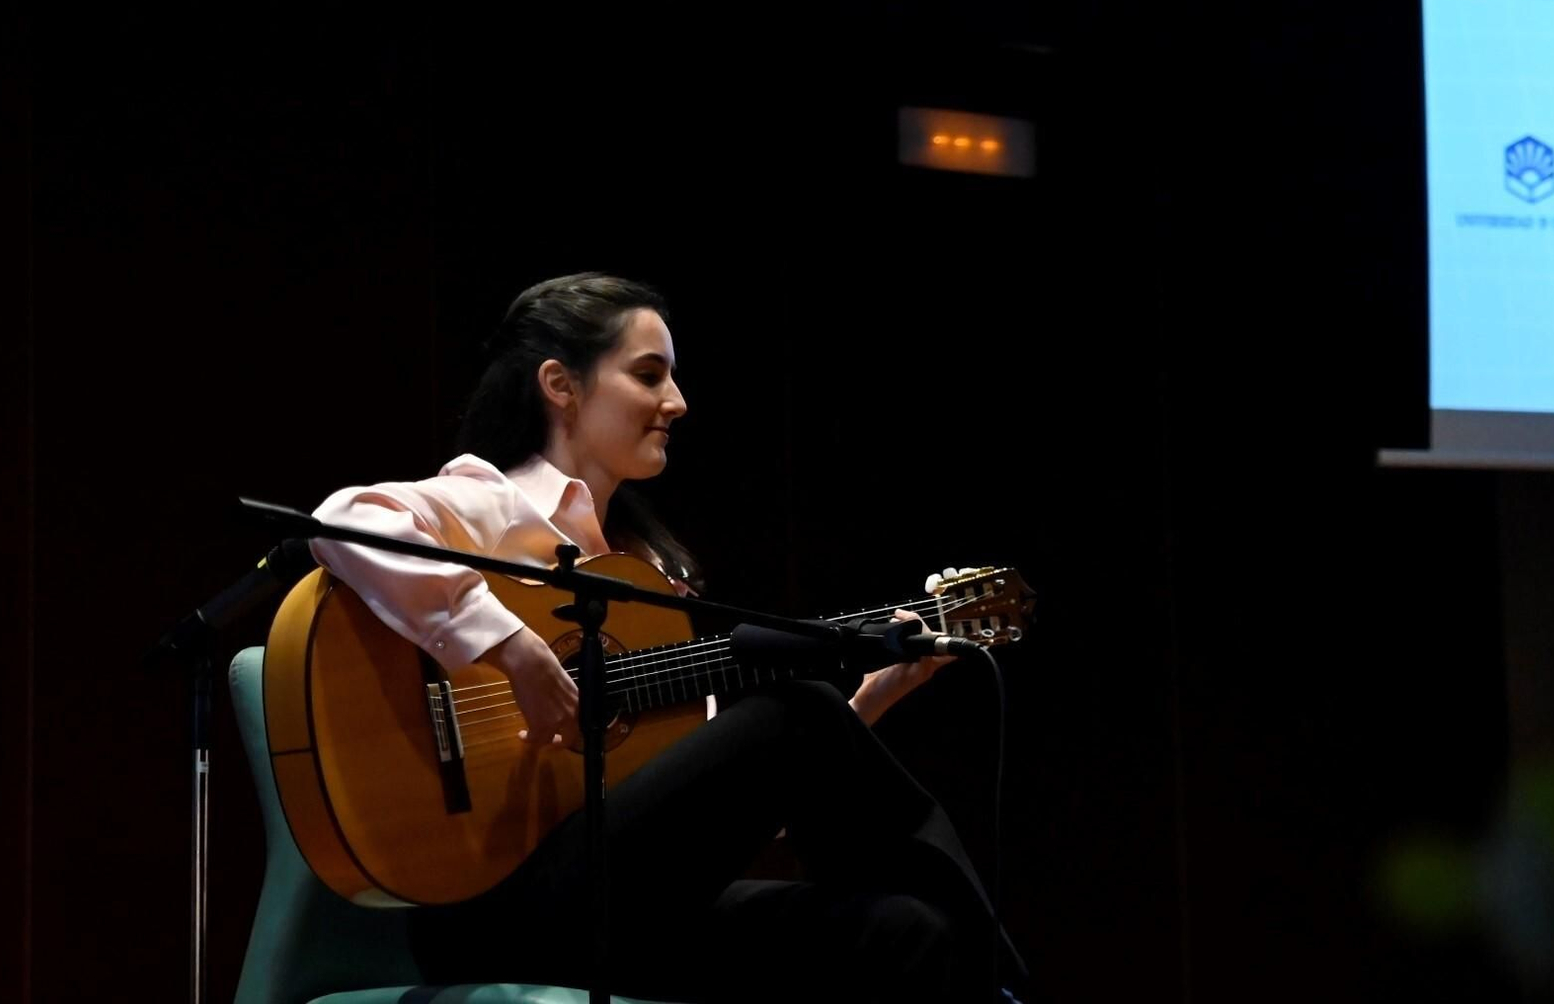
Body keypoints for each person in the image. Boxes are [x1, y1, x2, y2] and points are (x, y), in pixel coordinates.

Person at [310, 272, 1030, 1003]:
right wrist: (512, 647)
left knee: (906, 929)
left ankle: (981, 970)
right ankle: (1005, 983)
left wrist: (863, 709)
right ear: (560, 383)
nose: (678, 403)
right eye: (649, 374)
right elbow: (340, 522)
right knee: (794, 707)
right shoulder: (491, 505)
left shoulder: (650, 571)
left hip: (630, 909)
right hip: (498, 905)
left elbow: (713, 805)